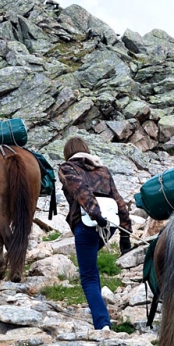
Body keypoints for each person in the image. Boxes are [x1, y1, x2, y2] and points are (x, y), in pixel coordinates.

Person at [58, 136, 132, 331]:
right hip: (110, 226)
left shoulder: (67, 168)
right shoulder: (103, 170)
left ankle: (102, 324)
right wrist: (125, 236)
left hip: (89, 223)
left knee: (88, 275)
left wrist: (95, 213)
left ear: (68, 153)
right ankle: (97, 305)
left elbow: (81, 191)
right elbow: (120, 202)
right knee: (91, 267)